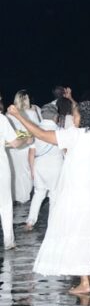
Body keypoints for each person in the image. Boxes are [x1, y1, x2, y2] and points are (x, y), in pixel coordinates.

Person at [7, 99, 90, 295]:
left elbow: (41, 134)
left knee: (76, 232)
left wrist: (18, 116)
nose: (73, 118)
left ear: (83, 117)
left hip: (77, 193)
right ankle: (87, 274)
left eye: (75, 114)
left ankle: (84, 282)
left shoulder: (73, 135)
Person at [25, 105, 64, 229]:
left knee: (38, 194)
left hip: (39, 167)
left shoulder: (35, 131)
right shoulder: (60, 131)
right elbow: (65, 152)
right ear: (55, 117)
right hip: (56, 167)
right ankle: (52, 223)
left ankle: (30, 222)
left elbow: (31, 153)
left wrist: (32, 170)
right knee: (54, 195)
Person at [1, 103, 32, 249]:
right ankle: (8, 241)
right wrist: (26, 139)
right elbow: (14, 142)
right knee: (5, 204)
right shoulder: (1, 119)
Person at [7, 90, 41, 203]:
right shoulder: (31, 113)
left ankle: (14, 197)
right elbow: (37, 131)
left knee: (14, 172)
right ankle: (24, 199)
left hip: (12, 147)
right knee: (25, 172)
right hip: (27, 145)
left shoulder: (9, 114)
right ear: (26, 99)